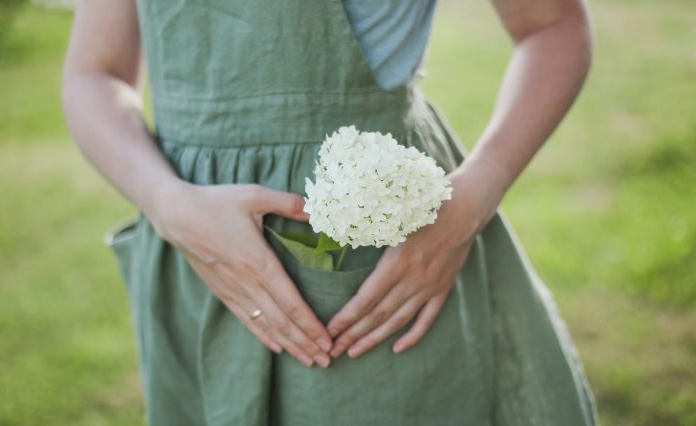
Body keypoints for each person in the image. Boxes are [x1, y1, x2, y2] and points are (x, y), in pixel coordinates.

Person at [61, 0, 598, 424]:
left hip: (386, 269)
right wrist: (164, 201)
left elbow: (551, 25)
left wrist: (478, 191)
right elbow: (94, 72)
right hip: (194, 262)